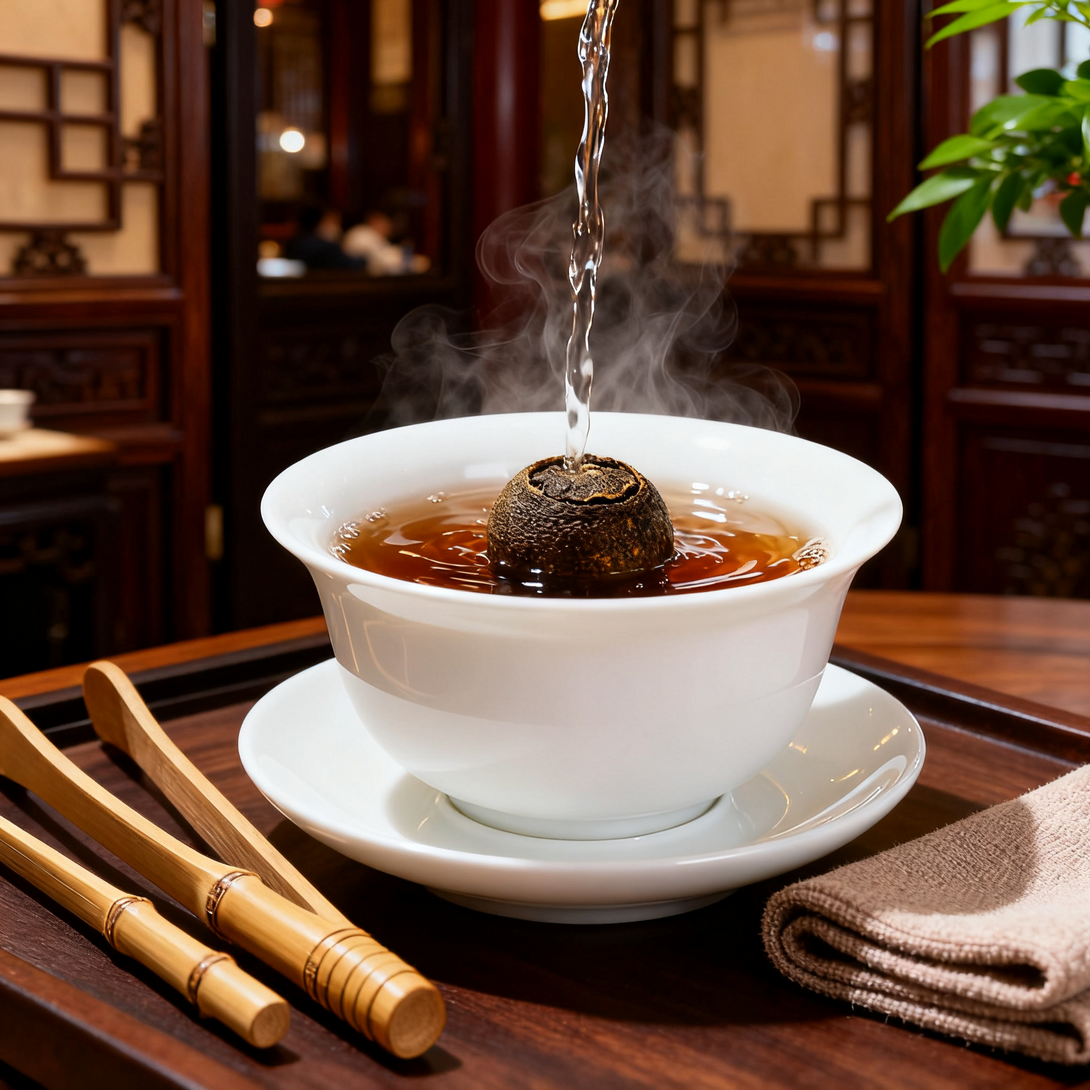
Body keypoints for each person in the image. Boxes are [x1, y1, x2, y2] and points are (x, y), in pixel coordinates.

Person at [284, 205, 365, 271]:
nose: (337, 227)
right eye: (333, 221)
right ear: (319, 222)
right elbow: (353, 265)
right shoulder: (326, 247)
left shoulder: (295, 242)